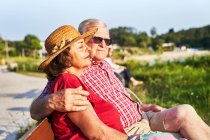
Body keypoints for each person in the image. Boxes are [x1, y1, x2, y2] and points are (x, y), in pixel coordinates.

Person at [30, 19, 210, 140]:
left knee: (185, 112)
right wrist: (52, 101)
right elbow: (37, 108)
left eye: (107, 41)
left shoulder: (104, 65)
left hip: (143, 117)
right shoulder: (73, 75)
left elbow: (115, 101)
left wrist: (141, 107)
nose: (103, 45)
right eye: (97, 39)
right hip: (128, 130)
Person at [38, 25, 128, 139]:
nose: (88, 49)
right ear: (65, 57)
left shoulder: (71, 80)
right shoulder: (67, 81)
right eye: (81, 46)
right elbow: (98, 134)